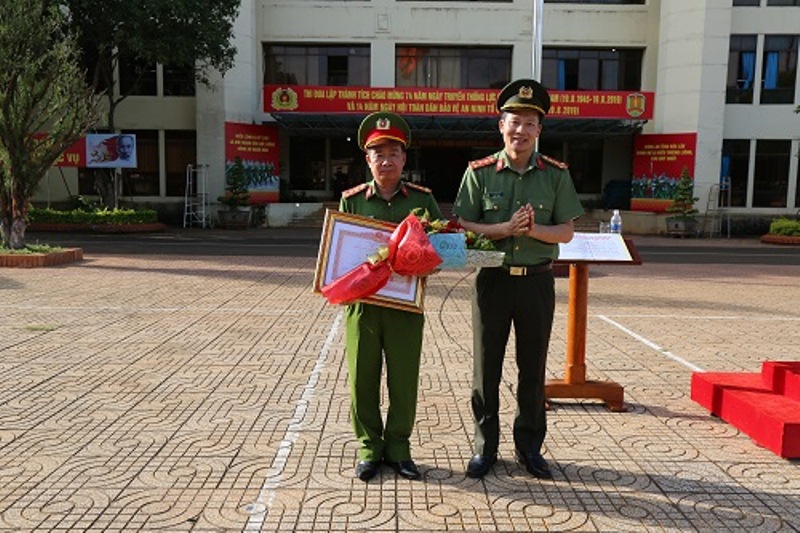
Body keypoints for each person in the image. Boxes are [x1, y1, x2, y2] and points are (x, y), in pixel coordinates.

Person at [453, 79, 584, 480]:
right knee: (485, 369)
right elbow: (463, 223)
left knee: (533, 367)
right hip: (491, 280)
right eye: (514, 121)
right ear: (501, 125)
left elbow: (566, 231)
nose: (521, 130)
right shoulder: (479, 173)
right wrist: (506, 228)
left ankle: (530, 447)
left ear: (539, 130)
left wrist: (531, 232)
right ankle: (484, 448)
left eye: (530, 123)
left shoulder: (556, 175)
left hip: (536, 283)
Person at [339, 111, 443, 482]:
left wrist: (424, 264)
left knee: (403, 379)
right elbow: (342, 253)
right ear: (367, 160)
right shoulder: (351, 201)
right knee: (361, 379)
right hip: (363, 307)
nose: (386, 160)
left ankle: (399, 449)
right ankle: (369, 448)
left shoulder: (422, 202)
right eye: (377, 153)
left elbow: (438, 254)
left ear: (404, 159)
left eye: (393, 153)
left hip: (404, 307)